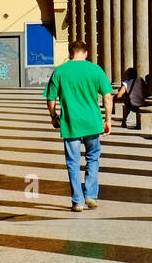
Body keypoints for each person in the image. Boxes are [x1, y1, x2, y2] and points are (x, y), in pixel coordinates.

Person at [46, 40, 114, 211]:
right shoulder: (95, 70)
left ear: (70, 53)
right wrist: (108, 120)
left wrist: (54, 117)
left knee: (73, 162)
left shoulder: (60, 71)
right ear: (86, 53)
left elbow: (50, 99)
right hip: (93, 123)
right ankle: (90, 195)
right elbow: (108, 97)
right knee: (93, 158)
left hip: (71, 124)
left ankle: (78, 201)